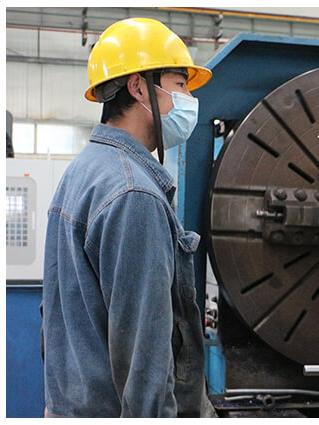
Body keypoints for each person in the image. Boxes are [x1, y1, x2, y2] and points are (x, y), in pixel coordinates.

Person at [41, 17, 215, 418]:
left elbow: (55, 318)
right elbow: (145, 357)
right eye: (180, 84)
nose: (189, 98)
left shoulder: (83, 171)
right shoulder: (134, 194)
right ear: (138, 87)